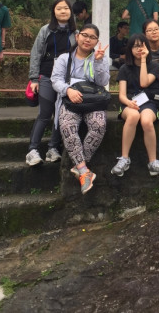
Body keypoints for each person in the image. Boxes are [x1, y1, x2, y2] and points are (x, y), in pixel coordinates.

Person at [51, 24, 109, 194]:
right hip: (70, 101)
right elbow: (55, 80)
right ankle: (84, 171)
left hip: (92, 102)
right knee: (67, 125)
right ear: (77, 37)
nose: (88, 39)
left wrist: (98, 62)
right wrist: (68, 90)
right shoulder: (64, 58)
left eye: (92, 37)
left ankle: (80, 167)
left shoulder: (99, 57)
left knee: (98, 124)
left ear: (97, 41)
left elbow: (102, 82)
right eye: (85, 35)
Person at [111, 33, 159, 177]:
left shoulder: (154, 66)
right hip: (129, 103)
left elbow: (144, 83)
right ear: (130, 49)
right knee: (133, 116)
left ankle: (153, 162)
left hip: (149, 103)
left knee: (146, 121)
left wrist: (144, 60)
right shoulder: (124, 69)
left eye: (142, 45)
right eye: (135, 46)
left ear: (147, 47)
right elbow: (121, 95)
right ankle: (124, 159)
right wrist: (129, 103)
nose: (139, 49)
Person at [25, 0, 76, 166]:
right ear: (54, 11)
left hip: (66, 80)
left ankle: (53, 148)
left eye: (66, 8)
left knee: (60, 115)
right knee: (45, 114)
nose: (63, 11)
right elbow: (36, 53)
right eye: (59, 8)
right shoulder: (45, 30)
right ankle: (32, 150)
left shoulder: (76, 33)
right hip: (46, 76)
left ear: (71, 11)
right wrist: (34, 78)